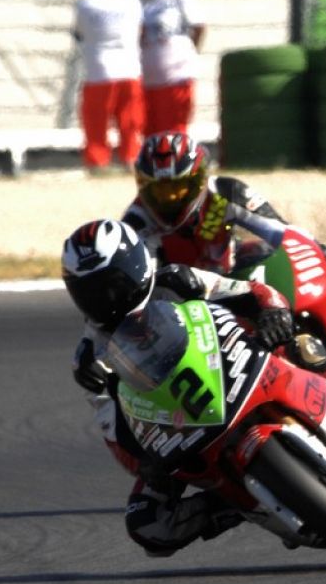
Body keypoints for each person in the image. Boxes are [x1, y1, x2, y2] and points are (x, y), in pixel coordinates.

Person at [62, 219, 297, 556]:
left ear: (137, 266)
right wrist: (145, 464)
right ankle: (236, 503)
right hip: (179, 429)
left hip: (242, 366)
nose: (107, 299)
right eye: (90, 292)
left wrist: (273, 311)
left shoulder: (177, 279)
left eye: (114, 283)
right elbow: (114, 430)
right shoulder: (91, 360)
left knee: (302, 343)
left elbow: (249, 292)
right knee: (147, 523)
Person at [123, 130, 326, 341]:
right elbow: (142, 287)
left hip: (234, 277)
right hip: (187, 302)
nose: (171, 199)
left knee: (268, 253)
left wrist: (322, 252)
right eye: (160, 190)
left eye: (178, 188)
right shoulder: (136, 222)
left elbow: (280, 229)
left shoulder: (225, 192)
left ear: (199, 180)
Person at [73, 0, 144, 173]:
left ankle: (97, 162)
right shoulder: (132, 2)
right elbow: (140, 30)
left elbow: (79, 33)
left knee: (96, 121)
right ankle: (131, 159)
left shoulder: (86, 5)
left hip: (99, 70)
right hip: (129, 67)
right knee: (130, 120)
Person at [133, 0, 205, 136]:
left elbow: (198, 26)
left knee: (174, 131)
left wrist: (188, 53)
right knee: (151, 133)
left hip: (176, 76)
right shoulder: (139, 1)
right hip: (149, 79)